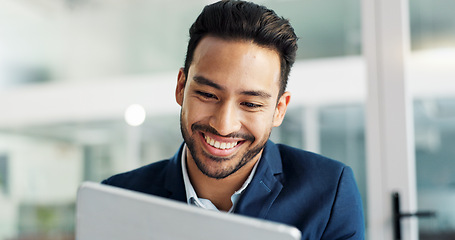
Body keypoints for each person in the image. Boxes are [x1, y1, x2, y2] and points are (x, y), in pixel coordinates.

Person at [102, 0, 365, 239]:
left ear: (279, 109)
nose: (223, 125)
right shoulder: (116, 199)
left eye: (250, 104)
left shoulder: (329, 192)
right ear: (181, 87)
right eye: (207, 94)